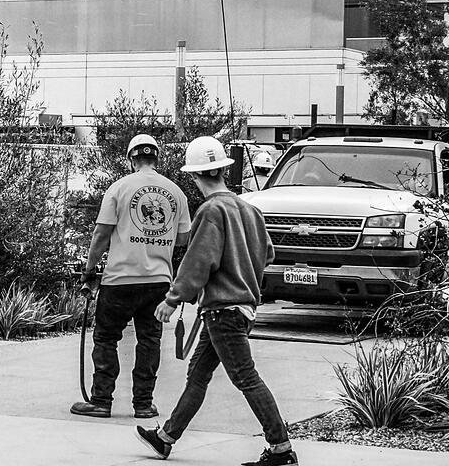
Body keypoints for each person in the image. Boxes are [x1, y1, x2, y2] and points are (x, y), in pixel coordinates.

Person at [136, 136, 294, 466]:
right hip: (238, 308)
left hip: (223, 310)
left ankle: (281, 449)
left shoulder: (210, 211)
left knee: (245, 377)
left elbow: (199, 261)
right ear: (222, 169)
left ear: (194, 176)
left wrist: (173, 299)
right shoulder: (250, 209)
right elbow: (268, 253)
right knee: (198, 376)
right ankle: (166, 438)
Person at [72, 133, 191, 419]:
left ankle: (101, 401)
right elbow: (184, 238)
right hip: (158, 281)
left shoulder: (119, 188)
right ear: (156, 158)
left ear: (131, 159)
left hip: (120, 279)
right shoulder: (176, 192)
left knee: (106, 339)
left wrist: (89, 271)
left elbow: (101, 234)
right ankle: (143, 404)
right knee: (150, 341)